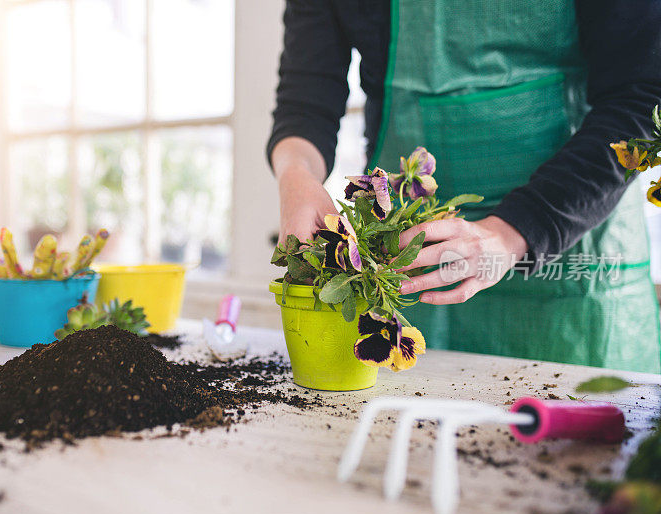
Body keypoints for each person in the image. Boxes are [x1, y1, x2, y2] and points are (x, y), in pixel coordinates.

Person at [267, 0, 661, 372]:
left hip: (574, 256)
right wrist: (296, 177)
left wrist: (515, 230)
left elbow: (644, 95)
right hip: (409, 269)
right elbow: (305, 103)